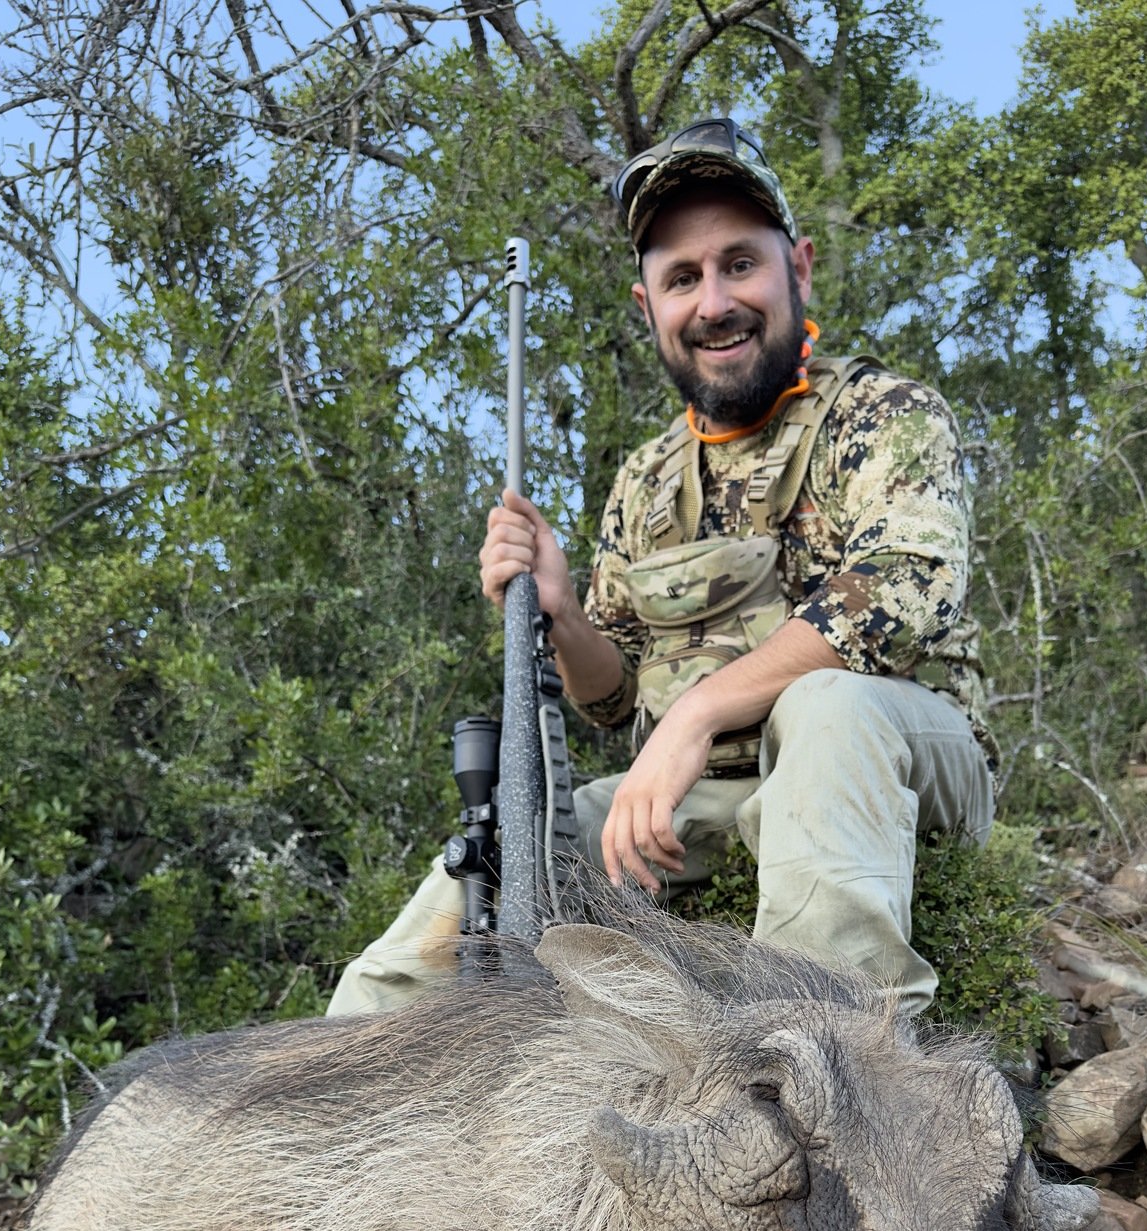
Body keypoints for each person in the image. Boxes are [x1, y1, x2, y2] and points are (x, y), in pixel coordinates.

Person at [328, 117, 994, 1018]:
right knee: (500, 865)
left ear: (797, 269)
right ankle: (337, 1079)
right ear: (650, 309)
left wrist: (694, 715)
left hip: (901, 765)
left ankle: (832, 1054)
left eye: (739, 264)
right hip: (714, 798)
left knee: (824, 705)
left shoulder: (883, 412)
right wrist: (562, 616)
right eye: (682, 278)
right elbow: (612, 702)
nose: (713, 301)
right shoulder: (644, 479)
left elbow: (901, 596)